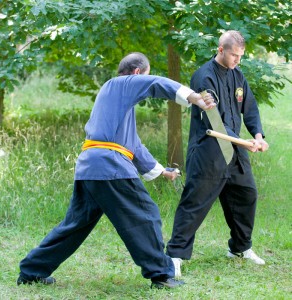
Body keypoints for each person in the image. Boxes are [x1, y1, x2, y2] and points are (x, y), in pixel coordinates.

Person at [17, 52, 215, 289]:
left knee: (75, 225)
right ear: (137, 73)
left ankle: (32, 270)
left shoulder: (115, 101)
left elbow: (133, 146)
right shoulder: (120, 84)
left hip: (91, 167)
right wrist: (194, 97)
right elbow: (154, 84)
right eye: (145, 74)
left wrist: (162, 171)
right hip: (109, 166)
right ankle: (161, 275)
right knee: (146, 214)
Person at [166, 30, 269, 273]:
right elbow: (215, 121)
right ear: (221, 50)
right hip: (208, 152)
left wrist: (257, 136)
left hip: (235, 152)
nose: (237, 60)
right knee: (195, 203)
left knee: (246, 194)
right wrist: (245, 143)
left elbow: (250, 108)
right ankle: (174, 256)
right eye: (234, 55)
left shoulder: (238, 75)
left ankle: (239, 247)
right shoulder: (204, 77)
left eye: (240, 56)